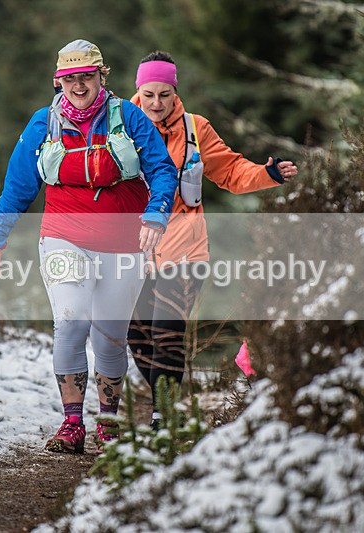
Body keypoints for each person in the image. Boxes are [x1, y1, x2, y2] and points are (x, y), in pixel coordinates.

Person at [0, 40, 177, 453]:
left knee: (109, 336)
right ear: (59, 81)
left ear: (101, 76)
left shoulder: (130, 117)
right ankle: (72, 423)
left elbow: (162, 169)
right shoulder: (43, 123)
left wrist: (156, 214)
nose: (79, 85)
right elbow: (19, 185)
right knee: (70, 320)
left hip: (125, 243)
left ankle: (107, 423)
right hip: (62, 238)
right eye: (70, 78)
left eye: (87, 76)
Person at [127, 51, 298, 430]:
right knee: (137, 339)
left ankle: (162, 418)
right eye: (149, 95)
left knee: (167, 334)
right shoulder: (121, 125)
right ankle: (163, 404)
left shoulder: (195, 129)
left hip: (185, 250)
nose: (157, 104)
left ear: (175, 92)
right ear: (138, 91)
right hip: (132, 251)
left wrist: (268, 173)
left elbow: (232, 170)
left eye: (165, 95)